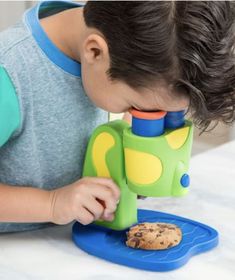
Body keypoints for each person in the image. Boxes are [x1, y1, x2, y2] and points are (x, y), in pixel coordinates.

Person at [0, 1, 234, 232]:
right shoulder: (10, 75)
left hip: (63, 245)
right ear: (95, 51)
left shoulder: (115, 53)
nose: (143, 117)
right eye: (137, 107)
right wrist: (51, 203)